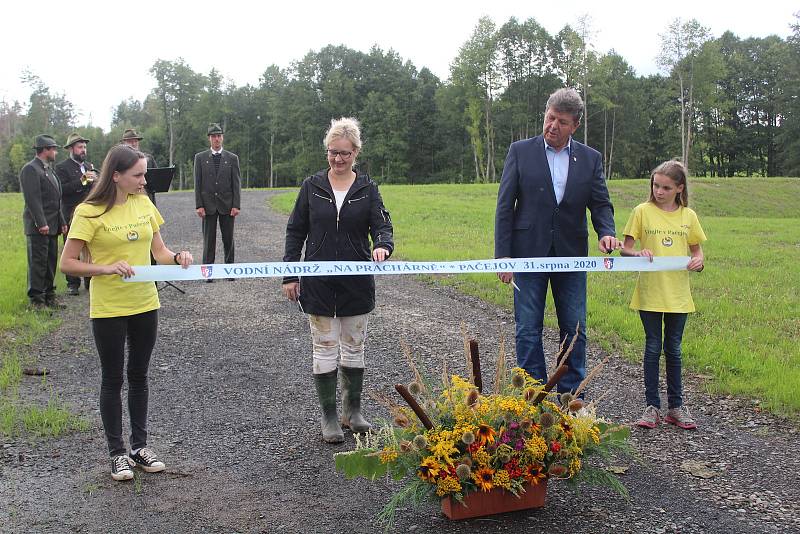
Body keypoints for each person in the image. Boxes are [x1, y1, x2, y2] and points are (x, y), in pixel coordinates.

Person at [60, 144, 193, 481]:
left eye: (144, 173)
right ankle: (117, 453)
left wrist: (178, 257)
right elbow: (68, 263)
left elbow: (159, 251)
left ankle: (139, 447)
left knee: (139, 375)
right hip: (108, 307)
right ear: (116, 176)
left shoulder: (144, 203)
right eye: (138, 175)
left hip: (145, 303)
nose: (144, 180)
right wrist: (105, 268)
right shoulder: (88, 212)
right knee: (113, 377)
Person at [494, 88, 620, 396]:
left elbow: (600, 204)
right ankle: (533, 396)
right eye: (550, 118)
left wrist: (606, 230)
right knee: (527, 329)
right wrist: (503, 256)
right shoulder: (520, 151)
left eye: (562, 122)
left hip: (572, 255)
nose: (553, 126)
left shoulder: (590, 159)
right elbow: (504, 207)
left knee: (575, 329)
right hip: (527, 255)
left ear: (575, 125)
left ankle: (570, 395)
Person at [282, 117, 394, 443]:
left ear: (356, 152)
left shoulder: (368, 189)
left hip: (356, 283)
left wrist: (384, 246)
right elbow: (295, 231)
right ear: (327, 152)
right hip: (318, 283)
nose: (338, 159)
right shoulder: (311, 186)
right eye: (333, 152)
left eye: (345, 153)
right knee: (325, 347)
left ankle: (352, 411)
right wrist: (290, 273)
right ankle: (329, 417)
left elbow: (382, 226)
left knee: (354, 347)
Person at [621, 160, 706, 430]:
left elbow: (697, 252)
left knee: (674, 350)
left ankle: (676, 408)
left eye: (666, 187)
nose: (659, 191)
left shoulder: (688, 216)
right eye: (656, 185)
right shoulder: (641, 212)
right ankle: (651, 407)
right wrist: (638, 253)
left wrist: (698, 261)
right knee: (652, 348)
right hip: (650, 293)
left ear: (679, 189)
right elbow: (626, 249)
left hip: (678, 296)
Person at [19, 135, 68, 310]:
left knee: (50, 262)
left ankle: (49, 295)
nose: (55, 152)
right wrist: (41, 223)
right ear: (45, 150)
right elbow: (33, 200)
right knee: (38, 262)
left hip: (53, 226)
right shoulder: (31, 169)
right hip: (38, 227)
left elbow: (56, 200)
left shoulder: (49, 170)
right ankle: (36, 300)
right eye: (53, 149)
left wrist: (61, 221)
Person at [193, 123, 241, 278]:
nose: (217, 139)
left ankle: (230, 271)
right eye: (214, 136)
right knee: (209, 241)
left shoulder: (232, 158)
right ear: (209, 138)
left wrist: (236, 205)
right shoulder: (200, 158)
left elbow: (236, 183)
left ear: (222, 137)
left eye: (219, 136)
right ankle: (208, 273)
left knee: (228, 239)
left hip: (227, 205)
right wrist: (199, 205)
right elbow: (197, 183)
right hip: (208, 206)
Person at [55, 133, 97, 295]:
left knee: (90, 247)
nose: (83, 150)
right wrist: (82, 180)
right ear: (71, 149)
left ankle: (89, 279)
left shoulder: (88, 166)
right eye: (80, 147)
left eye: (85, 147)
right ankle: (72, 284)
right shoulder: (61, 167)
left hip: (90, 213)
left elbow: (92, 188)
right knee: (71, 247)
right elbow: (62, 190)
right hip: (71, 213)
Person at [120, 128, 158, 203]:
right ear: (123, 143)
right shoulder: (119, 161)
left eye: (135, 141)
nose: (134, 144)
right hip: (128, 202)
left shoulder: (149, 159)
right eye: (130, 141)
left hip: (148, 200)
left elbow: (157, 179)